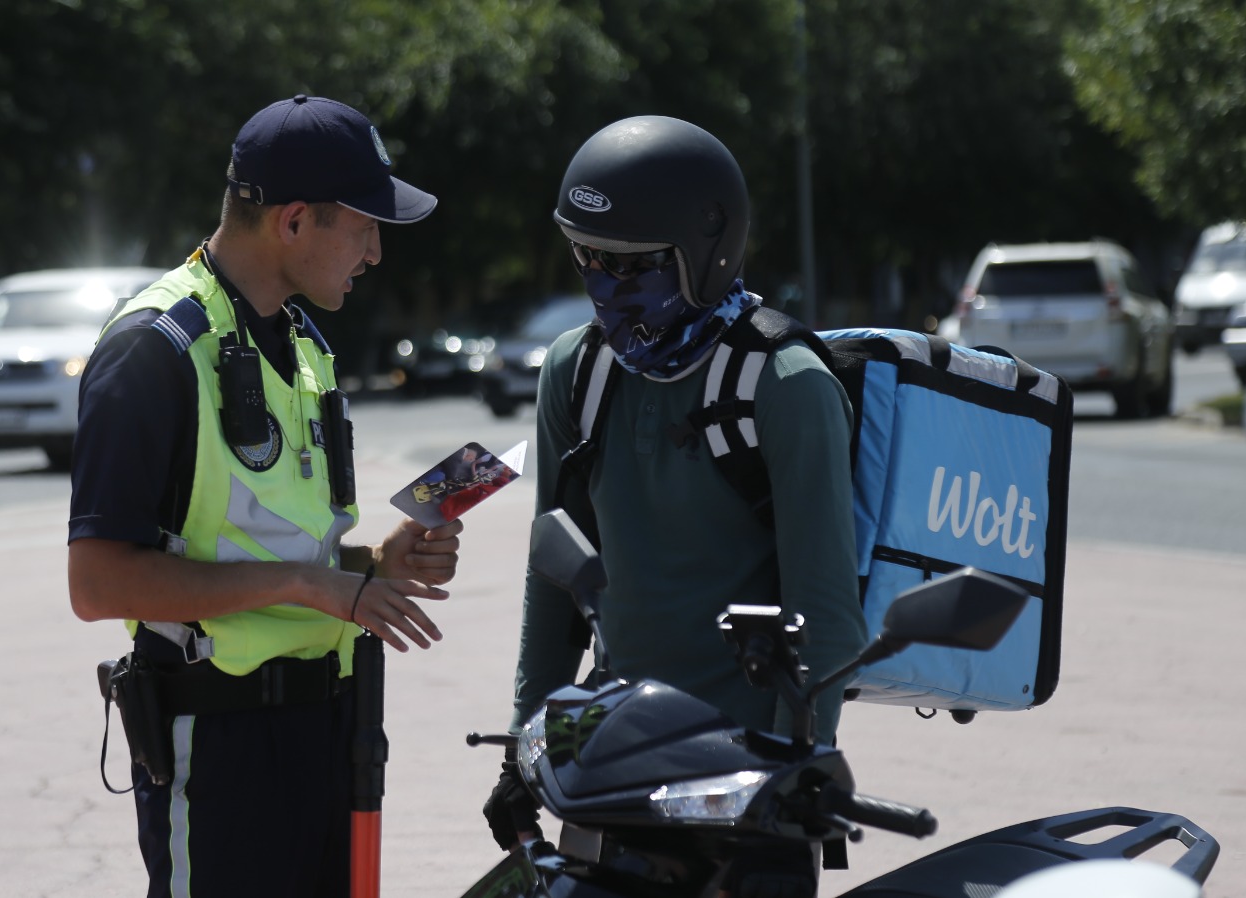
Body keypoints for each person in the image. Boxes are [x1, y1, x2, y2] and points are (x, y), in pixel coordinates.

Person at [68, 94, 463, 898]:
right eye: (364, 225)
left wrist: (371, 566)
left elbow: (274, 543)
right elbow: (98, 584)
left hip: (328, 735)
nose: (376, 252)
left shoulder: (303, 342)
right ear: (292, 222)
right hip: (217, 749)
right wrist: (309, 585)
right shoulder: (152, 349)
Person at [482, 115, 868, 896]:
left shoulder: (786, 384)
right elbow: (552, 584)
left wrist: (802, 768)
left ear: (705, 253)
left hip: (741, 776)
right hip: (607, 760)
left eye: (631, 267)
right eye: (587, 258)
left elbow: (828, 613)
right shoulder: (577, 372)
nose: (602, 288)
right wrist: (522, 751)